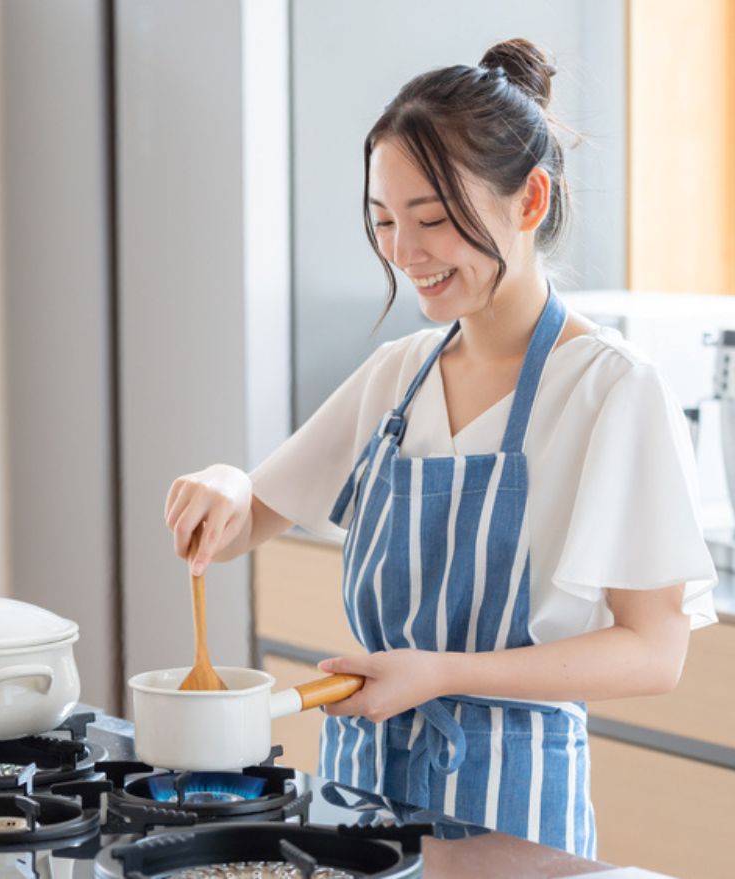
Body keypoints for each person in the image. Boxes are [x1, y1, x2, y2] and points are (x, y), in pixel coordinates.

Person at [162, 38, 717, 859]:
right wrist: (220, 483)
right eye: (384, 221)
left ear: (530, 201)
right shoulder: (399, 377)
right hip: (362, 806)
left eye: (431, 219)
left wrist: (445, 673)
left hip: (514, 822)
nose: (403, 251)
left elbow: (653, 651)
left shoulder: (610, 390)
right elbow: (250, 516)